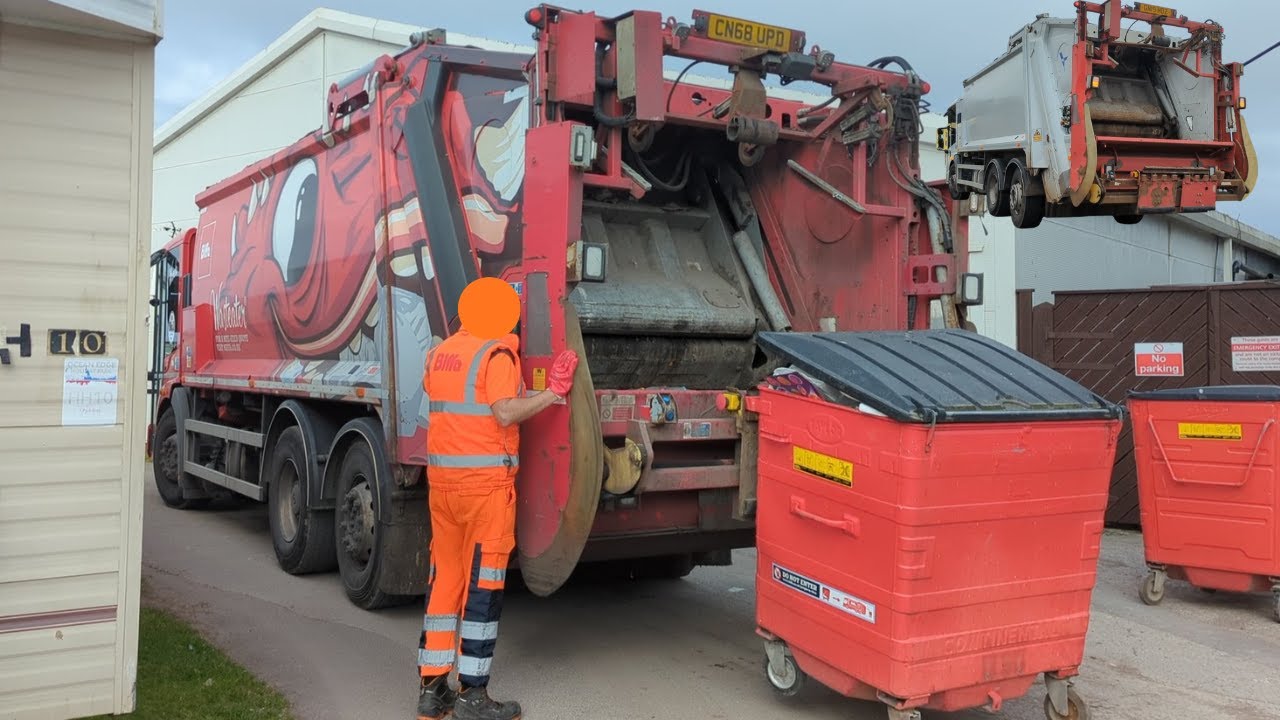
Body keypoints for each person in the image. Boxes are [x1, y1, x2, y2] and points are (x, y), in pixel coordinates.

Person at [416, 277, 579, 720]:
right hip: (485, 489)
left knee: (445, 579)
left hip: (444, 489)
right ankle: (473, 694)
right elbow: (503, 410)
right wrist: (553, 393)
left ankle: (433, 690)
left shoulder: (443, 352)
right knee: (484, 586)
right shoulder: (498, 353)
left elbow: (462, 402)